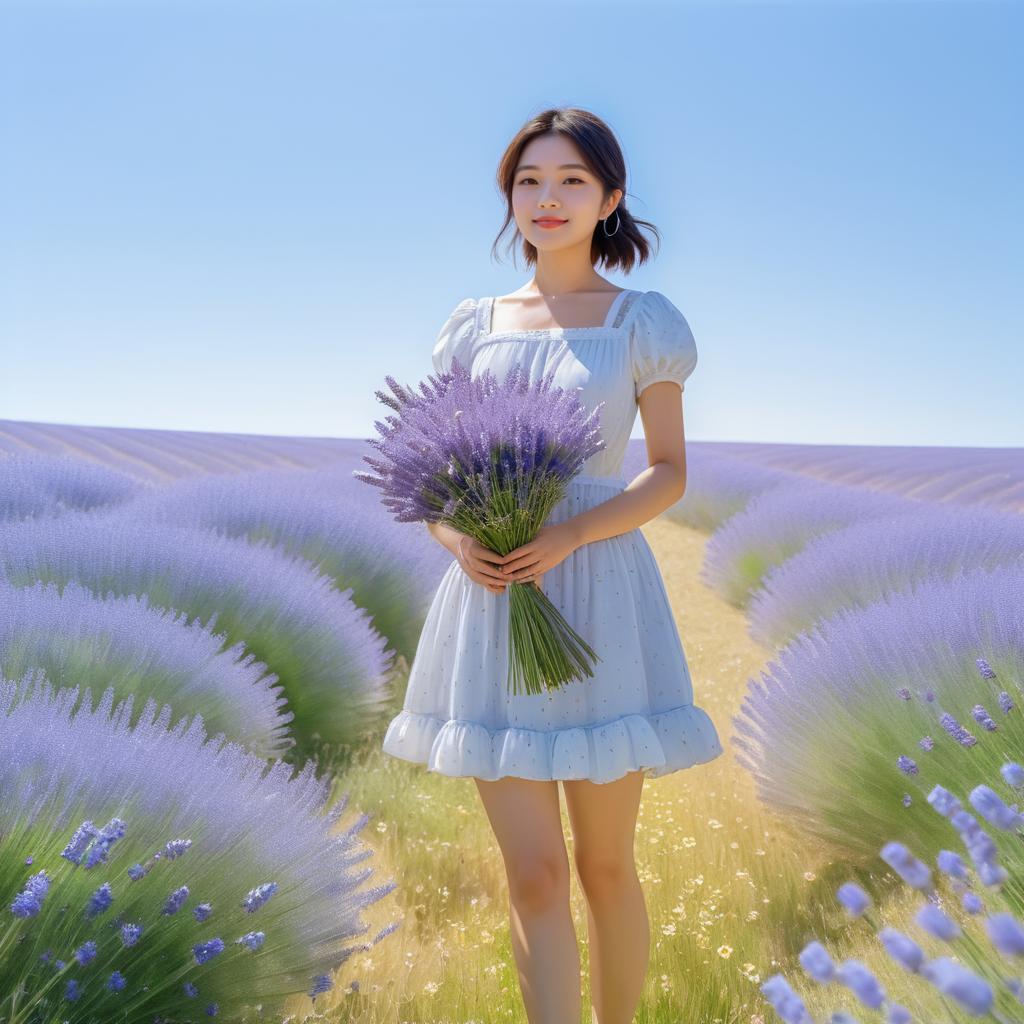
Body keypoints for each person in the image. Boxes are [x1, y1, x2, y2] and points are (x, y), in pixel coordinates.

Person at [382, 105, 724, 1024]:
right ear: (510, 197)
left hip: (601, 587)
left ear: (609, 198)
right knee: (531, 874)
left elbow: (670, 473)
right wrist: (458, 542)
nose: (548, 197)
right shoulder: (474, 326)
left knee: (603, 864)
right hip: (493, 601)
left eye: (572, 179)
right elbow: (438, 480)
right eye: (529, 180)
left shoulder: (641, 322)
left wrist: (572, 533)